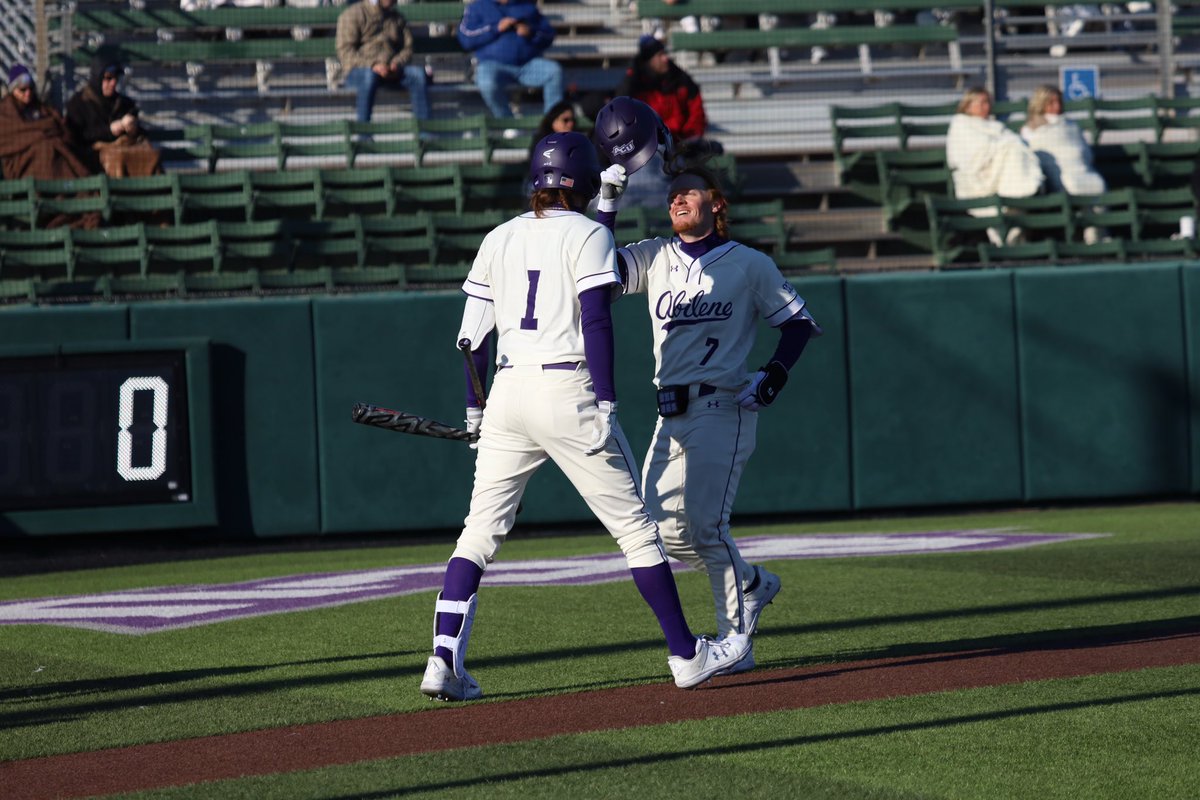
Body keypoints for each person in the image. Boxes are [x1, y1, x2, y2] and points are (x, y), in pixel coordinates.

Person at [419, 130, 751, 702]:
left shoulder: (498, 236)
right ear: (583, 179)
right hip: (568, 389)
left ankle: (443, 658)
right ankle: (686, 655)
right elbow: (596, 319)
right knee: (637, 532)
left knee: (477, 535)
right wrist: (606, 400)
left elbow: (470, 339)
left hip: (507, 388)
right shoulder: (591, 233)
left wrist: (475, 411)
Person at [591, 97, 822, 674]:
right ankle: (751, 584)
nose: (677, 198)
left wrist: (774, 375)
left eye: (690, 191)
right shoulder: (654, 256)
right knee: (663, 531)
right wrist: (610, 199)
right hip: (670, 415)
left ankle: (733, 642)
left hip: (724, 406)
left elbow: (798, 323)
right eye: (674, 193)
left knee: (705, 525)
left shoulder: (748, 262)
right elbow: (594, 268)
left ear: (716, 204)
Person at [0, 65, 100, 229]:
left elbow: (60, 128)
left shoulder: (42, 110)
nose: (28, 94)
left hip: (54, 158)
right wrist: (41, 133)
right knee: (45, 148)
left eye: (30, 89)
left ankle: (71, 207)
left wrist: (44, 133)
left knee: (53, 148)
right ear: (13, 91)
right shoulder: (6, 113)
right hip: (26, 164)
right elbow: (9, 138)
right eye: (22, 90)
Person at [945, 87, 1044, 246]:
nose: (987, 106)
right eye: (982, 103)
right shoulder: (961, 125)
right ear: (968, 105)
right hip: (979, 180)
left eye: (988, 102)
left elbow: (1012, 142)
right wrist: (1002, 149)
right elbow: (972, 156)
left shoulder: (995, 125)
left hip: (1002, 177)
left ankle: (1016, 203)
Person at [456, 0, 563, 121]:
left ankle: (553, 123)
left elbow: (548, 35)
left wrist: (530, 32)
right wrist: (495, 28)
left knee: (554, 71)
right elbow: (465, 38)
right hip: (492, 65)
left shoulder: (527, 6)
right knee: (487, 83)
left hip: (527, 65)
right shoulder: (477, 7)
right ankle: (507, 122)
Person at [65, 56, 162, 178]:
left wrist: (133, 128)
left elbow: (141, 134)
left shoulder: (124, 103)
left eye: (116, 78)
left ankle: (156, 193)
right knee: (117, 158)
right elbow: (77, 137)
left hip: (125, 147)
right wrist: (110, 130)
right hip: (92, 157)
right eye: (108, 78)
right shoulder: (78, 103)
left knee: (149, 155)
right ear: (97, 78)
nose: (113, 83)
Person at [336, 0, 431, 123]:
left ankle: (424, 135)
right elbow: (345, 52)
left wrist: (396, 63)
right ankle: (364, 134)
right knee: (369, 77)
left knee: (418, 74)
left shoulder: (396, 17)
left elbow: (408, 48)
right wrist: (373, 65)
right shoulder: (353, 14)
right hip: (359, 72)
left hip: (390, 70)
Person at [615, 35, 708, 146]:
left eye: (665, 54)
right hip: (646, 148)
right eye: (660, 55)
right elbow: (622, 119)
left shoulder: (680, 79)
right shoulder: (632, 85)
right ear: (649, 61)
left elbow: (697, 113)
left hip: (680, 144)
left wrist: (687, 139)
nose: (666, 59)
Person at [1020, 85, 1105, 197]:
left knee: (1098, 185)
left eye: (1059, 101)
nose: (1057, 106)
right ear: (1041, 104)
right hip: (1062, 181)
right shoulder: (1030, 130)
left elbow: (1087, 153)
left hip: (1085, 173)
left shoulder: (1071, 126)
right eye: (1051, 103)